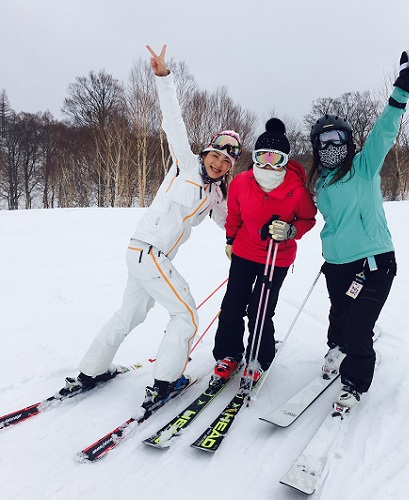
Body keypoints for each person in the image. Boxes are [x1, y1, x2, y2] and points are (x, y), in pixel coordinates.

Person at [61, 44, 242, 410]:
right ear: (205, 152)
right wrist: (164, 77)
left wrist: (248, 233)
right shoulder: (184, 165)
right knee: (186, 314)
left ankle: (90, 371)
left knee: (129, 315)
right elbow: (173, 120)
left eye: (227, 160)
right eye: (216, 155)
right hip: (147, 252)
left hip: (147, 256)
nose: (219, 163)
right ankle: (165, 382)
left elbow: (230, 223)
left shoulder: (216, 195)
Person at [307, 51, 409, 410]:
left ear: (348, 142)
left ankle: (355, 381)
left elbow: (385, 130)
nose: (331, 148)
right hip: (336, 264)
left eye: (337, 140)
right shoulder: (321, 185)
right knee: (339, 316)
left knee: (360, 326)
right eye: (323, 142)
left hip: (374, 262)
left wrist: (402, 88)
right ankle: (338, 348)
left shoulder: (363, 166)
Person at [211, 118, 317, 390]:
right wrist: (231, 239)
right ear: (254, 157)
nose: (268, 164)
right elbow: (234, 214)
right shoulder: (241, 182)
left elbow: (308, 219)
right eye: (262, 157)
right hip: (245, 252)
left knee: (260, 309)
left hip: (276, 257)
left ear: (285, 160)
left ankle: (258, 357)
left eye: (275, 158)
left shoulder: (296, 189)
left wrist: (291, 230)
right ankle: (228, 354)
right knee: (233, 304)